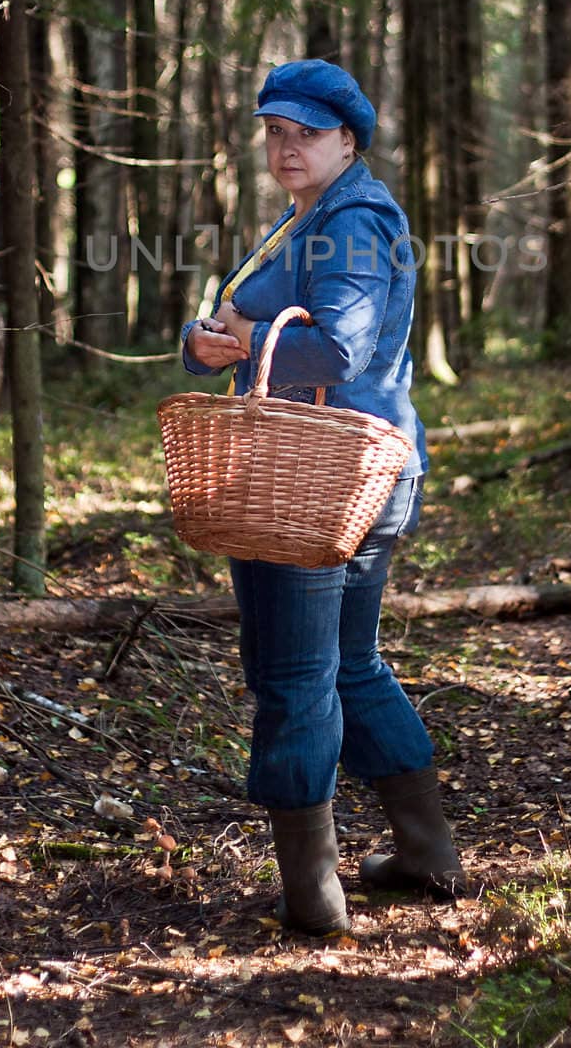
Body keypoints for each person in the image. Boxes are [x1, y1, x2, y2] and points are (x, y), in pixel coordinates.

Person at [181, 59, 464, 936]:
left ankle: (312, 895)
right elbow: (239, 331)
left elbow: (337, 352)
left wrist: (249, 337)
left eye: (305, 132)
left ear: (348, 139)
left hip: (324, 478)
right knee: (346, 665)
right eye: (273, 131)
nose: (284, 146)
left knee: (295, 674)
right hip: (317, 472)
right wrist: (205, 344)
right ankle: (425, 852)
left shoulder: (355, 221)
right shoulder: (300, 221)